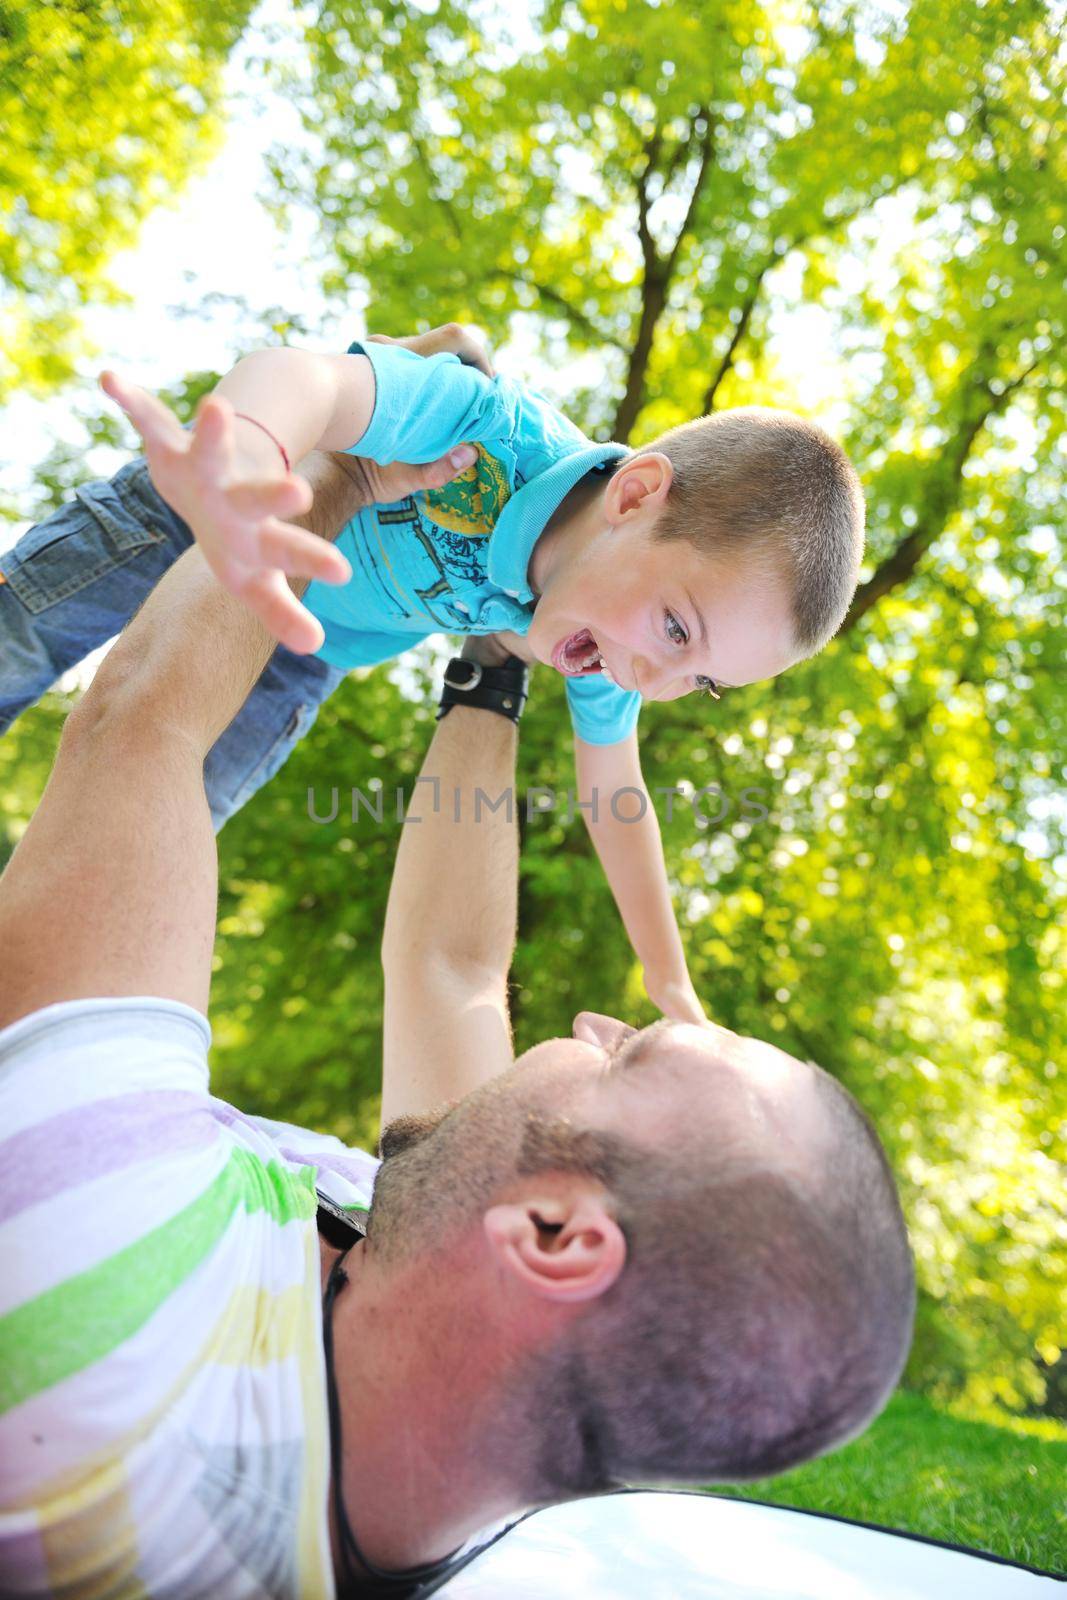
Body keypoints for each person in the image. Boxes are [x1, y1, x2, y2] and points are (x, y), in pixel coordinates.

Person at [0, 479, 913, 1597]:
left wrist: (344, 470)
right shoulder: (437, 1418)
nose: (591, 1020)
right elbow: (454, 969)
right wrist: (500, 650)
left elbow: (146, 721)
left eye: (629, 1056)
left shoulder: (118, 1301)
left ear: (555, 1232)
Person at [0, 323, 865, 1029]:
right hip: (209, 514)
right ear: (635, 498)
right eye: (678, 629)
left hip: (298, 654)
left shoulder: (607, 644)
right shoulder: (486, 433)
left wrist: (670, 984)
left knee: (155, 818)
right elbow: (308, 381)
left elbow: (615, 798)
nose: (651, 677)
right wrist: (250, 462)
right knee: (21, 639)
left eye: (701, 680)